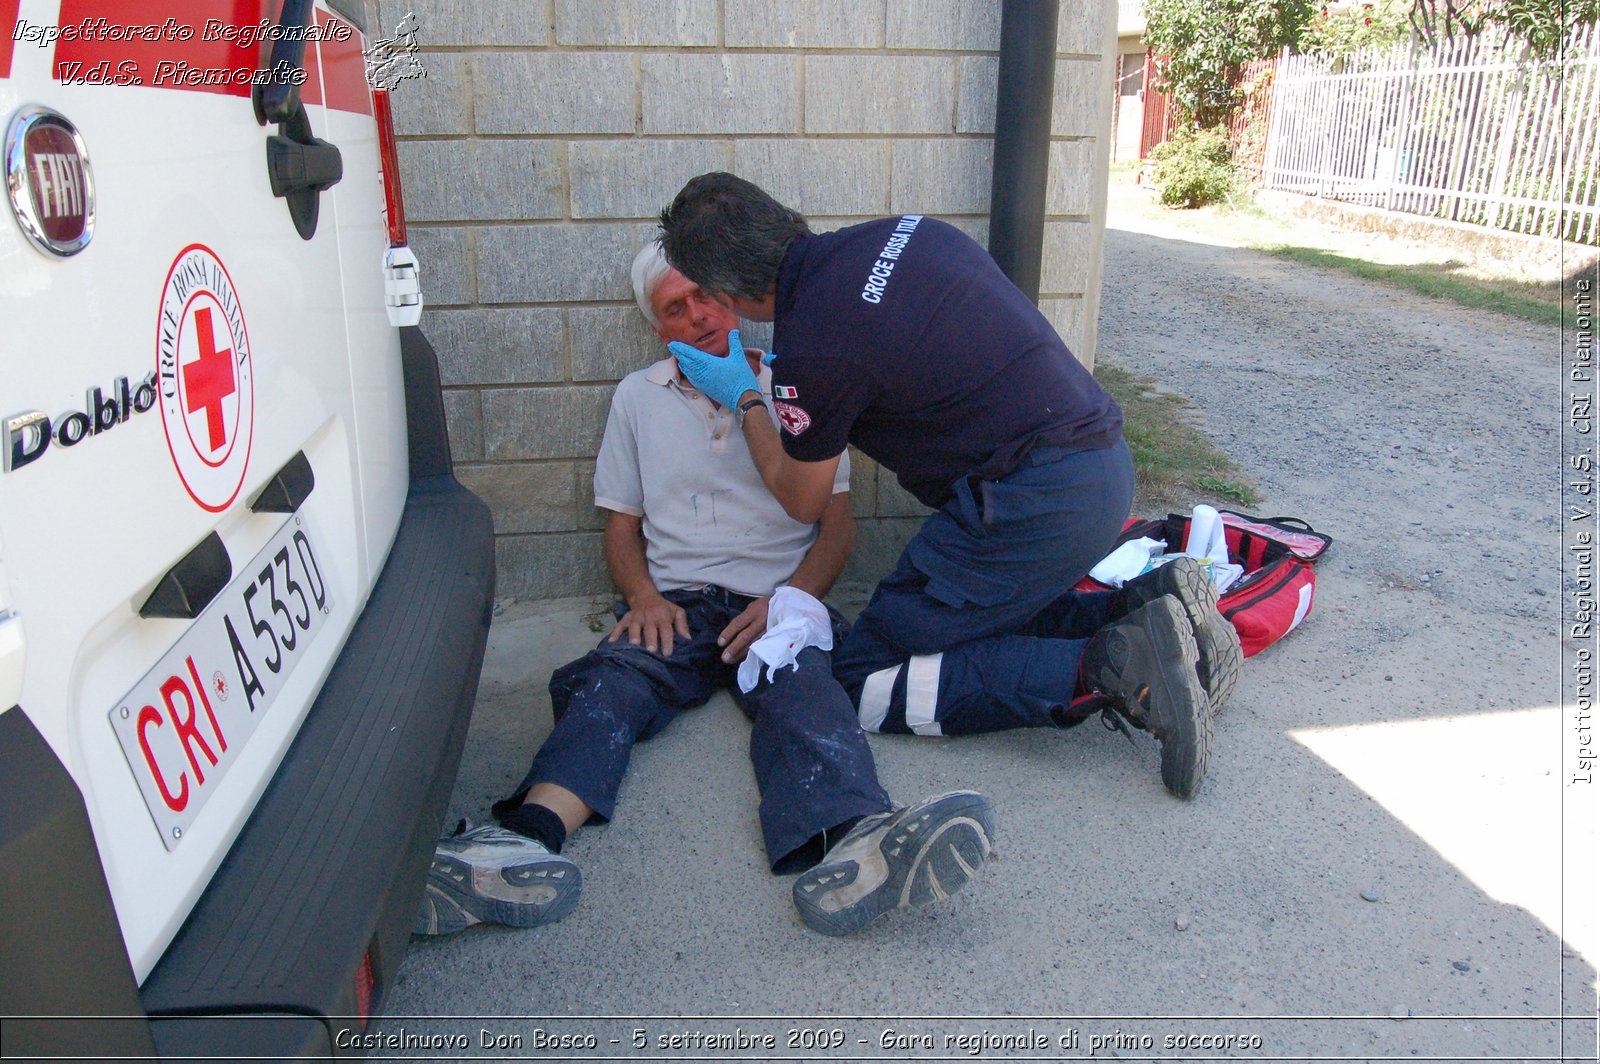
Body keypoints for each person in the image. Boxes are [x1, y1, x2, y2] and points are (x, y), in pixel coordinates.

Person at [413, 242, 995, 939]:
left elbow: (836, 530)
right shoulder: (638, 398)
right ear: (660, 327)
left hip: (774, 598)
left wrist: (795, 601)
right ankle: (522, 844)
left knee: (807, 693)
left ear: (732, 297)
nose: (696, 316)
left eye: (705, 297)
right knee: (610, 684)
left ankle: (858, 846)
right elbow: (621, 526)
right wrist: (644, 597)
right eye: (674, 309)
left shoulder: (801, 387)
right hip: (680, 601)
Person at [657, 173, 1242, 799]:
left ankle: (1121, 667)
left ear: (726, 290)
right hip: (1099, 466)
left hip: (1030, 506)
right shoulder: (909, 232)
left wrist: (747, 399)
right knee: (976, 613)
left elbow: (802, 501)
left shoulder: (816, 350)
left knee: (863, 676)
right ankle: (1155, 607)